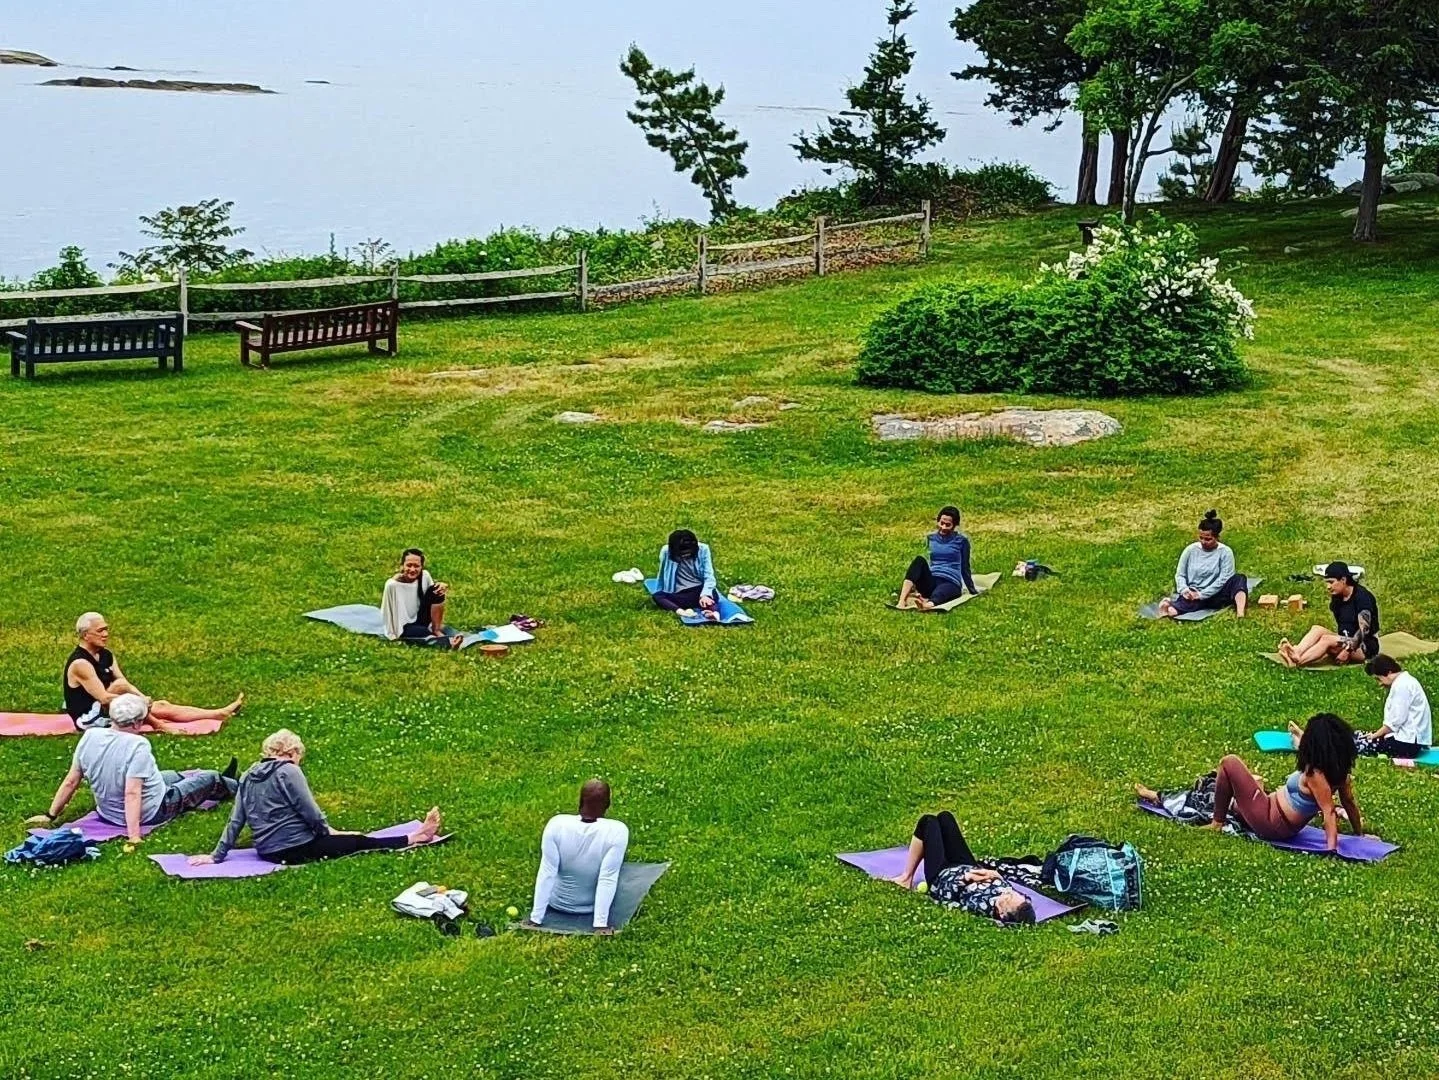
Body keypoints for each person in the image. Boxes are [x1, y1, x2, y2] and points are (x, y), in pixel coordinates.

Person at [187, 729, 442, 866]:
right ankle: (415, 837)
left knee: (349, 837)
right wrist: (328, 833)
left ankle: (411, 836)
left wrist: (216, 855)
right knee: (358, 842)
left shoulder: (248, 774)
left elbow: (236, 820)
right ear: (292, 752)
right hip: (295, 848)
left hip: (267, 852)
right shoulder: (288, 770)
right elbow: (310, 811)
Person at [1136, 713, 1364, 852]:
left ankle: (1216, 823)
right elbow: (1349, 804)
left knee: (1229, 763)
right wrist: (1359, 834)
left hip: (1269, 821)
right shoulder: (1338, 774)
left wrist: (1331, 849)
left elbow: (1328, 811)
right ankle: (1161, 797)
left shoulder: (1316, 775)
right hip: (1268, 811)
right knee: (1219, 788)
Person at [28, 693, 238, 845]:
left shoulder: (91, 736)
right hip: (154, 810)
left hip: (108, 812)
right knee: (210, 778)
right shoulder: (138, 745)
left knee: (171, 776)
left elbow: (71, 780)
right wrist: (134, 835)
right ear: (138, 723)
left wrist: (50, 815)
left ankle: (220, 780)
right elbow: (132, 793)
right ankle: (238, 786)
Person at [63, 612, 244, 733]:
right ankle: (159, 725)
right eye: (100, 631)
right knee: (120, 687)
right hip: (88, 719)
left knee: (162, 706)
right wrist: (140, 701)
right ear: (85, 635)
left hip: (109, 709)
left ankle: (218, 713)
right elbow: (105, 698)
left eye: (106, 629)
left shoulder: (106, 655)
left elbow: (124, 684)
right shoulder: (80, 663)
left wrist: (143, 700)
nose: (106, 634)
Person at [888, 810, 1035, 924]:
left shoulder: (980, 907)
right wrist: (995, 875)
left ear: (1001, 914)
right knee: (945, 817)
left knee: (928, 822)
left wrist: (965, 879)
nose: (1007, 893)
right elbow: (1024, 901)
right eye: (1012, 894)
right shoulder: (1018, 903)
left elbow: (950, 901)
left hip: (943, 876)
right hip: (967, 866)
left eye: (1008, 898)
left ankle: (906, 878)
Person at [522, 779, 629, 935]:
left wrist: (535, 919)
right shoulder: (617, 831)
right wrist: (600, 925)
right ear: (608, 804)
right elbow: (608, 877)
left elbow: (547, 872)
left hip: (556, 903)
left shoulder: (556, 824)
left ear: (580, 801)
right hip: (589, 906)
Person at [1287, 656, 1432, 760]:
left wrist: (1374, 735)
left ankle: (1306, 746)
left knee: (1356, 744)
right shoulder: (1405, 682)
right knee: (1356, 735)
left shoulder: (1402, 687)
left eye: (1379, 678)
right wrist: (1374, 735)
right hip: (1404, 739)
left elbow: (1394, 722)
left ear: (1388, 673)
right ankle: (1309, 738)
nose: (1379, 683)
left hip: (1405, 745)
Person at [1278, 562, 1378, 668]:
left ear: (1343, 580)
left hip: (1364, 646)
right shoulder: (1337, 597)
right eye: (1327, 583)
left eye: (1331, 582)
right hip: (1345, 639)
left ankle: (1297, 663)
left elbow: (1364, 630)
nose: (1328, 587)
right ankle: (1296, 652)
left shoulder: (1362, 597)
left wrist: (1347, 650)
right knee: (1317, 629)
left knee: (1327, 639)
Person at [1156, 509, 1249, 618]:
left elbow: (1224, 578)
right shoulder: (1190, 550)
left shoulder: (1225, 552)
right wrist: (1185, 590)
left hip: (1216, 594)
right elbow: (1180, 574)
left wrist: (1202, 595)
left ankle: (1240, 613)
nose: (1203, 542)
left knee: (1239, 580)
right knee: (1173, 612)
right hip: (1194, 593)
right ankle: (1168, 608)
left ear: (1217, 537)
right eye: (1201, 538)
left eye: (1208, 539)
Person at [897, 506, 979, 611]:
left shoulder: (961, 541)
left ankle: (927, 605)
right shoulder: (931, 538)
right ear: (938, 521)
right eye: (942, 523)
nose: (943, 527)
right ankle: (902, 600)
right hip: (933, 579)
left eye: (948, 525)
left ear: (954, 525)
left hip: (950, 581)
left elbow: (965, 567)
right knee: (919, 560)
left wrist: (972, 590)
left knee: (940, 592)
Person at [380, 549, 462, 648]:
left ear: (421, 567)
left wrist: (441, 586)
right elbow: (388, 612)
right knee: (423, 631)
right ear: (402, 566)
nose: (412, 569)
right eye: (409, 565)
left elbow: (432, 595)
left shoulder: (425, 576)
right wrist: (394, 635)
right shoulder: (392, 585)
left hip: (420, 617)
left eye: (416, 566)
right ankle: (447, 643)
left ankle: (436, 630)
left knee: (437, 591)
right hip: (403, 626)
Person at [651, 529, 718, 615]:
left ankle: (713, 612)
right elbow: (662, 574)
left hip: (699, 590)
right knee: (658, 596)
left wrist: (705, 595)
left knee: (712, 593)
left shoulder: (703, 549)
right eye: (682, 553)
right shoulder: (666, 552)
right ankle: (681, 612)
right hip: (680, 593)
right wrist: (659, 591)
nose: (686, 555)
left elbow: (709, 576)